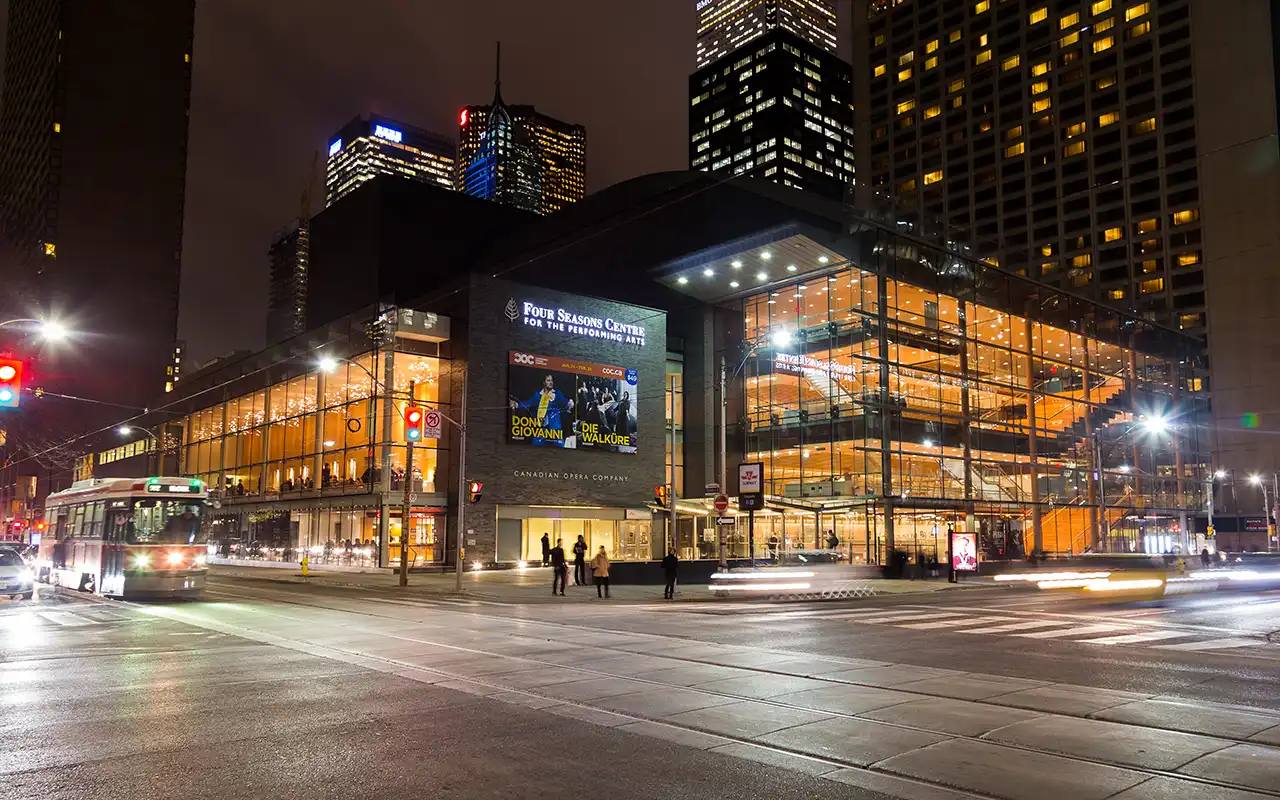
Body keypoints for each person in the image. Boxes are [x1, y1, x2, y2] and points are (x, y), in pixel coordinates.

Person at [510, 374, 575, 448]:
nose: (551, 382)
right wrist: (516, 405)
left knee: (561, 447)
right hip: (541, 428)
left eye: (551, 380)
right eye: (548, 380)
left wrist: (570, 404)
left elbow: (566, 403)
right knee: (535, 444)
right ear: (544, 383)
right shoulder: (537, 394)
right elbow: (528, 404)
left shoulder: (557, 394)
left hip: (555, 429)